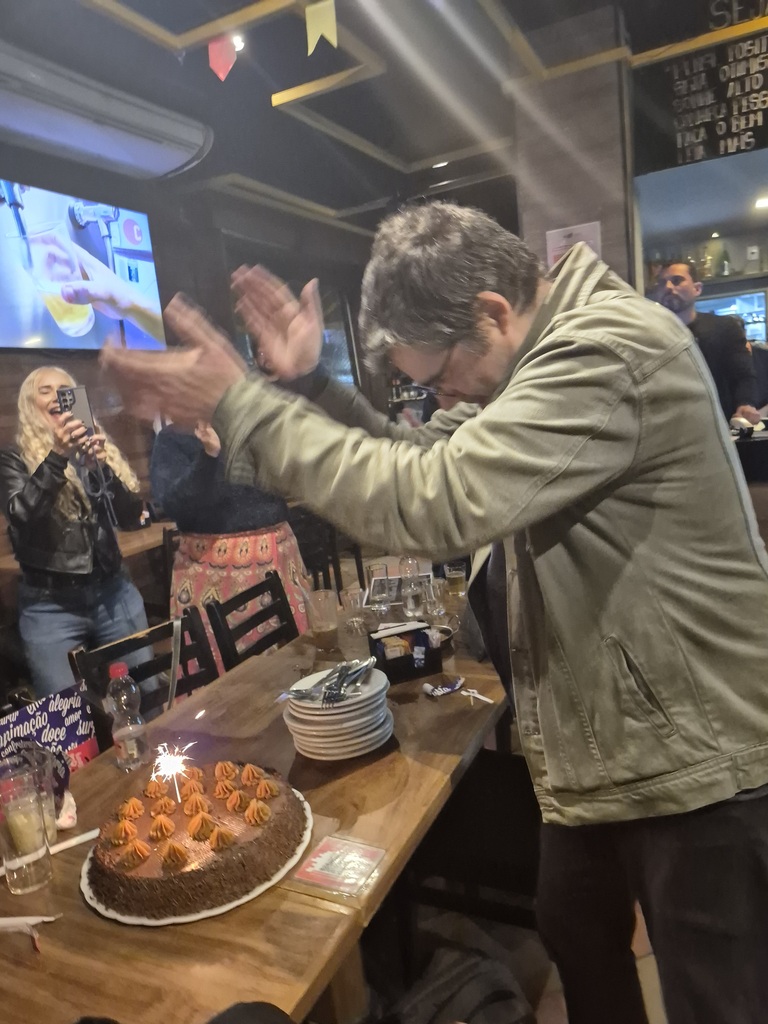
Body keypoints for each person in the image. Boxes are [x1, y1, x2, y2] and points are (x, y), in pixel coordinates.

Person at [102, 202, 768, 1024]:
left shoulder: (604, 348)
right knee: (573, 926)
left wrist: (243, 406)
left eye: (441, 374)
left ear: (492, 311)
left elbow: (436, 497)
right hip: (610, 741)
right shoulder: (531, 358)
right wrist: (310, 385)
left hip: (697, 754)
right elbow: (423, 451)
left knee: (719, 997)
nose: (439, 396)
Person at [0, 367, 149, 697]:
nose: (56, 396)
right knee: (66, 712)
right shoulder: (12, 458)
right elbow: (21, 516)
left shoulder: (92, 450)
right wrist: (57, 457)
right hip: (49, 607)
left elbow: (130, 517)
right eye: (45, 390)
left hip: (113, 593)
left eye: (64, 389)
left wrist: (101, 468)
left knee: (144, 691)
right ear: (30, 405)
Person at [150, 419, 310, 671]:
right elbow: (174, 504)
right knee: (223, 672)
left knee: (295, 660)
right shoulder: (174, 437)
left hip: (279, 555)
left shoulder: (251, 421)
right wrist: (209, 457)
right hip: (214, 571)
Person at [654, 260, 761, 423]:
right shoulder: (650, 334)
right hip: (667, 426)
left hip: (718, 425)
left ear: (697, 289)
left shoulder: (724, 328)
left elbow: (743, 375)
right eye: (662, 283)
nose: (668, 287)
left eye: (677, 280)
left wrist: (745, 403)